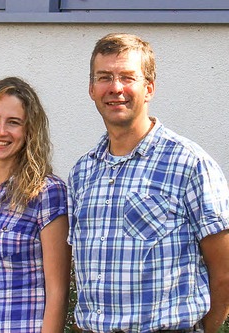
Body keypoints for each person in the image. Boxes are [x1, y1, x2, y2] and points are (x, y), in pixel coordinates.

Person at [68, 33, 229, 333]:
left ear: (149, 88)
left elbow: (225, 272)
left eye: (127, 77)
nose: (115, 88)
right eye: (104, 77)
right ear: (91, 89)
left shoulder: (190, 164)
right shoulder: (82, 173)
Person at [0, 77, 70, 332]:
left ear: (29, 131)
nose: (1, 131)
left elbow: (57, 292)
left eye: (14, 123)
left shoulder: (47, 192)